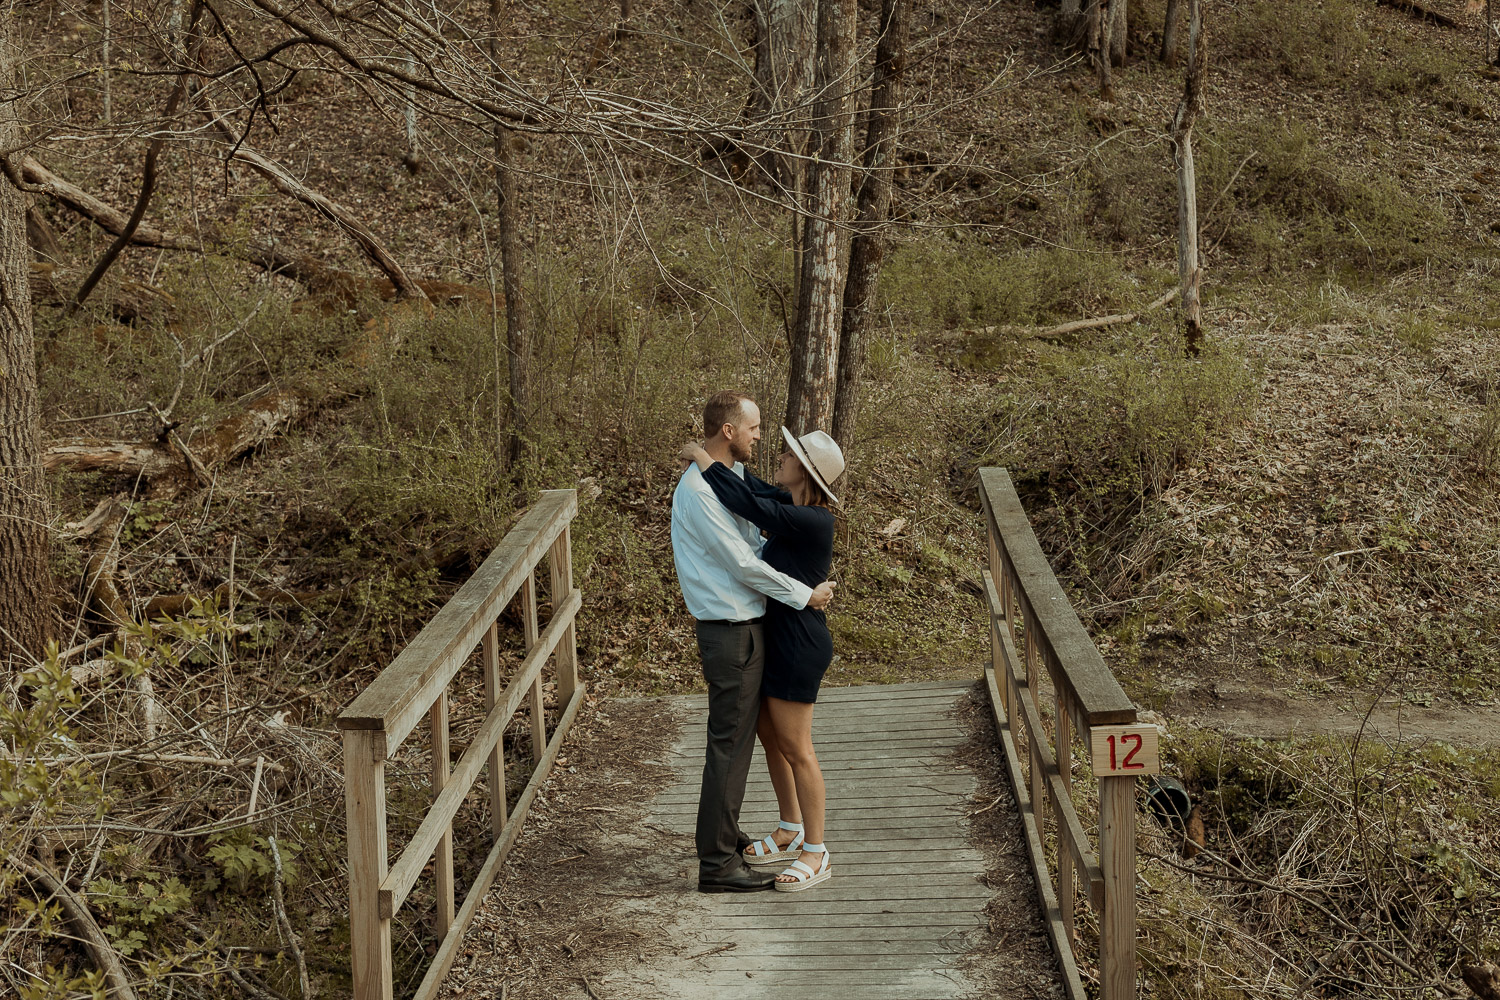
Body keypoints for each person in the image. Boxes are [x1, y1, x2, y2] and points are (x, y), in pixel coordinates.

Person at [671, 391, 837, 894]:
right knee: (741, 742)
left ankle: (804, 846)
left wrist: (806, 595)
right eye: (756, 428)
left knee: (772, 742)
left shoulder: (800, 510)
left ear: (805, 472)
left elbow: (749, 527)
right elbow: (745, 557)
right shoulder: (704, 492)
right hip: (738, 631)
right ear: (730, 431)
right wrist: (804, 592)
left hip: (778, 633)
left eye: (786, 450)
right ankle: (724, 856)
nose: (765, 440)